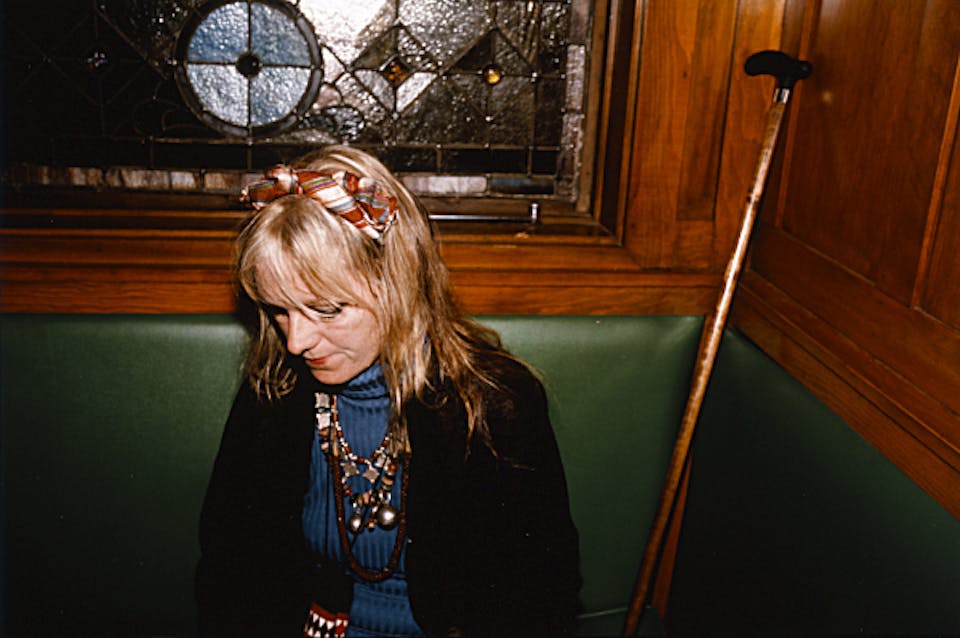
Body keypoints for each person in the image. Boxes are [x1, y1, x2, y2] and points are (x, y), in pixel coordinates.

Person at [195, 145, 582, 637]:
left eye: (327, 310)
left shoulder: (490, 404)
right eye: (279, 311)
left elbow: (540, 600)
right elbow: (228, 573)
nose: (296, 341)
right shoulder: (276, 388)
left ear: (397, 285)